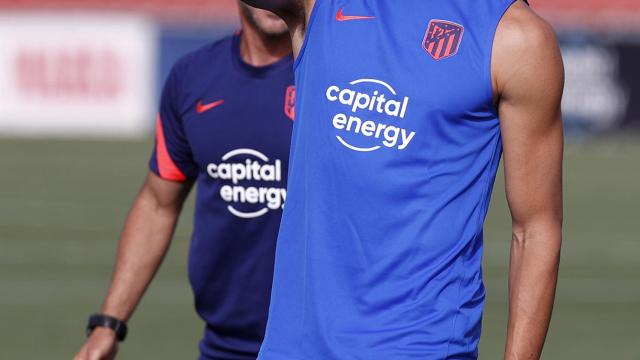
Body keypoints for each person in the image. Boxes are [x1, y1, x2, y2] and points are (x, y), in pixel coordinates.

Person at [240, 0, 564, 359]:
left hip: (420, 346)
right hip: (295, 348)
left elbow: (535, 229)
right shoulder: (321, 6)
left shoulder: (516, 37)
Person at [73, 3, 295, 360]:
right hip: (225, 346)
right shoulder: (193, 77)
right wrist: (108, 323)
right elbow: (158, 204)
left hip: (323, 343)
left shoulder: (336, 78)